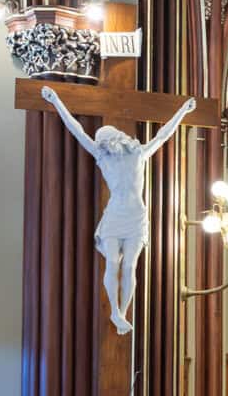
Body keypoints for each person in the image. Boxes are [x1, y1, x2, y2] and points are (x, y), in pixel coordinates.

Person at [41, 86, 197, 334]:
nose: (102, 144)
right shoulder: (101, 156)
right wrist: (56, 100)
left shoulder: (139, 154)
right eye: (101, 142)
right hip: (114, 215)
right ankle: (116, 311)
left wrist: (183, 111)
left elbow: (164, 135)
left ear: (116, 138)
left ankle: (122, 313)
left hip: (136, 217)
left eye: (104, 140)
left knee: (129, 267)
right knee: (113, 262)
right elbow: (75, 129)